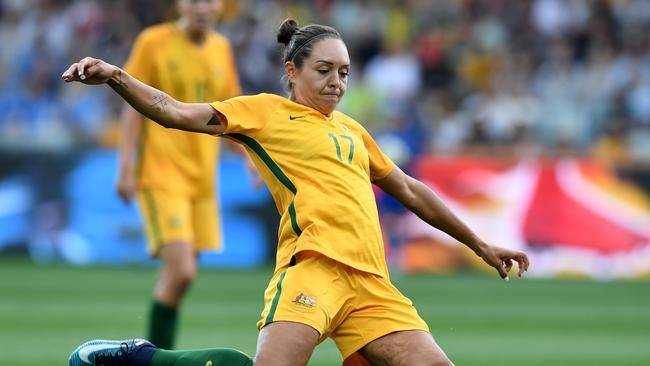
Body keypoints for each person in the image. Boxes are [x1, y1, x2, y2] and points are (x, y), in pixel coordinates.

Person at [63, 18, 529, 366]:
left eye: (344, 73)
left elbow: (409, 189)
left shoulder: (352, 130)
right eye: (324, 70)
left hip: (371, 284)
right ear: (292, 70)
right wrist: (115, 77)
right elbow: (172, 111)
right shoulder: (264, 113)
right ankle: (140, 358)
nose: (336, 82)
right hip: (313, 268)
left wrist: (480, 244)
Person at [116, 0, 245, 350]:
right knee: (181, 272)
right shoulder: (153, 41)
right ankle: (154, 358)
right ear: (180, 4)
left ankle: (156, 352)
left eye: (210, 0)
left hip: (203, 180)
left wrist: (250, 157)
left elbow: (231, 113)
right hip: (161, 173)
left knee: (180, 279)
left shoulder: (221, 48)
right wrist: (126, 166)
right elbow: (131, 106)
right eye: (194, 0)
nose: (202, 7)